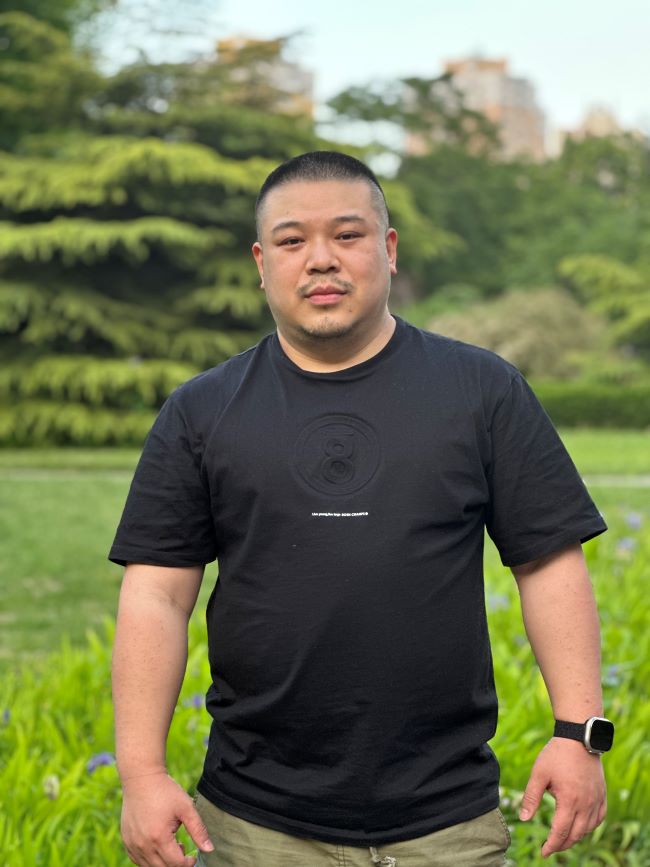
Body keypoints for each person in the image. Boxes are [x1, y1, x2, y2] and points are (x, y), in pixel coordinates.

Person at [110, 151, 613, 867]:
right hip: (254, 824)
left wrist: (578, 732)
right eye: (292, 241)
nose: (321, 259)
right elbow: (156, 596)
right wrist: (141, 774)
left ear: (389, 248)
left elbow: (548, 563)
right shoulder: (201, 411)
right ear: (261, 262)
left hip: (447, 823)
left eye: (347, 235)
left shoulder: (482, 391)